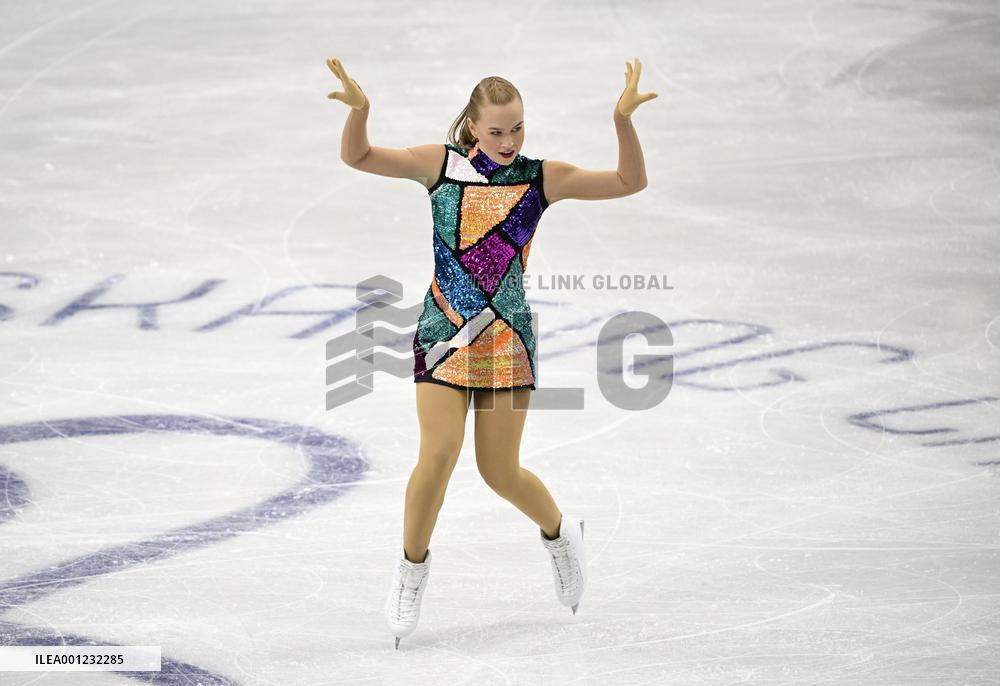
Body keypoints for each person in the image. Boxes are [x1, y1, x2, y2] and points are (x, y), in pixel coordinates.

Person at [326, 56, 655, 648]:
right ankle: (411, 571)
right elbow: (360, 156)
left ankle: (561, 536)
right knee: (438, 454)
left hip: (506, 338)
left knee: (499, 471)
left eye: (518, 128)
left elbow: (630, 182)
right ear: (473, 126)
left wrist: (622, 121)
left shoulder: (540, 178)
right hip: (443, 331)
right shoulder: (440, 166)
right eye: (497, 130)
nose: (508, 141)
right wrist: (360, 111)